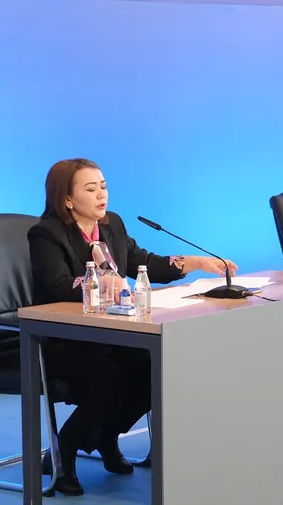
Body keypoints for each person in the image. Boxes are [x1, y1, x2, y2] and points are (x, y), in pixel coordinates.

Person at [28, 158, 238, 496]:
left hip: (111, 334)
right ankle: (63, 451)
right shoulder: (46, 234)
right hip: (65, 340)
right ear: (66, 199)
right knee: (114, 381)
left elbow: (146, 264)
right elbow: (57, 286)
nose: (102, 195)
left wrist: (198, 262)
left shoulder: (111, 225)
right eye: (91, 189)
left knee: (156, 368)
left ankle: (105, 437)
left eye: (104, 187)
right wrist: (100, 283)